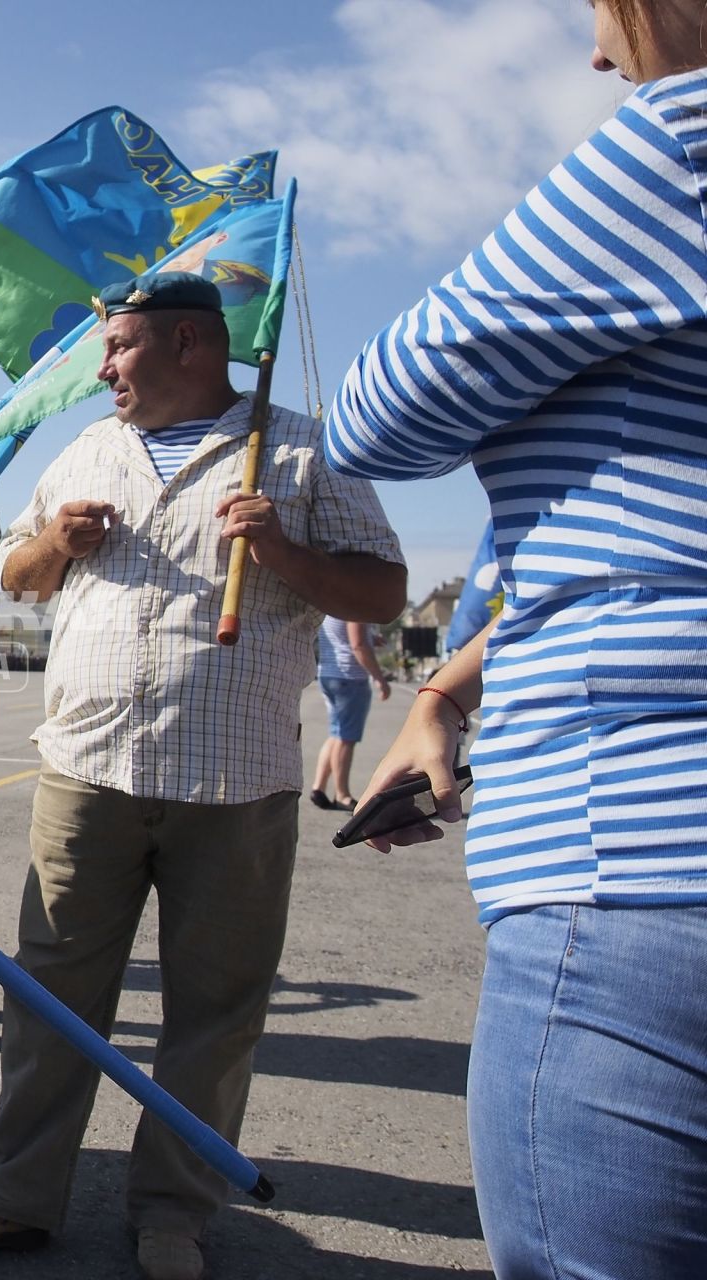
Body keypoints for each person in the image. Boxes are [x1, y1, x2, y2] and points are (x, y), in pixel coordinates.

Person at [0, 273, 405, 1280]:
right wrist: (56, 540)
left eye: (120, 348)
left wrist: (281, 547)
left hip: (238, 782)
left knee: (215, 1012)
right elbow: (14, 574)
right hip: (87, 769)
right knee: (51, 999)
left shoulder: (301, 448)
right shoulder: (89, 449)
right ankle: (10, 1195)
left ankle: (175, 1209)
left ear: (190, 343)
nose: (104, 369)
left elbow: (385, 589)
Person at [324, 4, 707, 1273]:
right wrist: (448, 689)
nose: (603, 57)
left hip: (645, 859)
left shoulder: (682, 136)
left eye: (605, 12)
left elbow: (382, 412)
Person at [307, 616, 391, 811]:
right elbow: (359, 644)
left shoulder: (332, 601)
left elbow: (346, 634)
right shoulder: (356, 604)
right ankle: (342, 794)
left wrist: (370, 638)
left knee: (337, 733)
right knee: (346, 738)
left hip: (329, 673)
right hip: (349, 676)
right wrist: (380, 678)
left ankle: (318, 787)